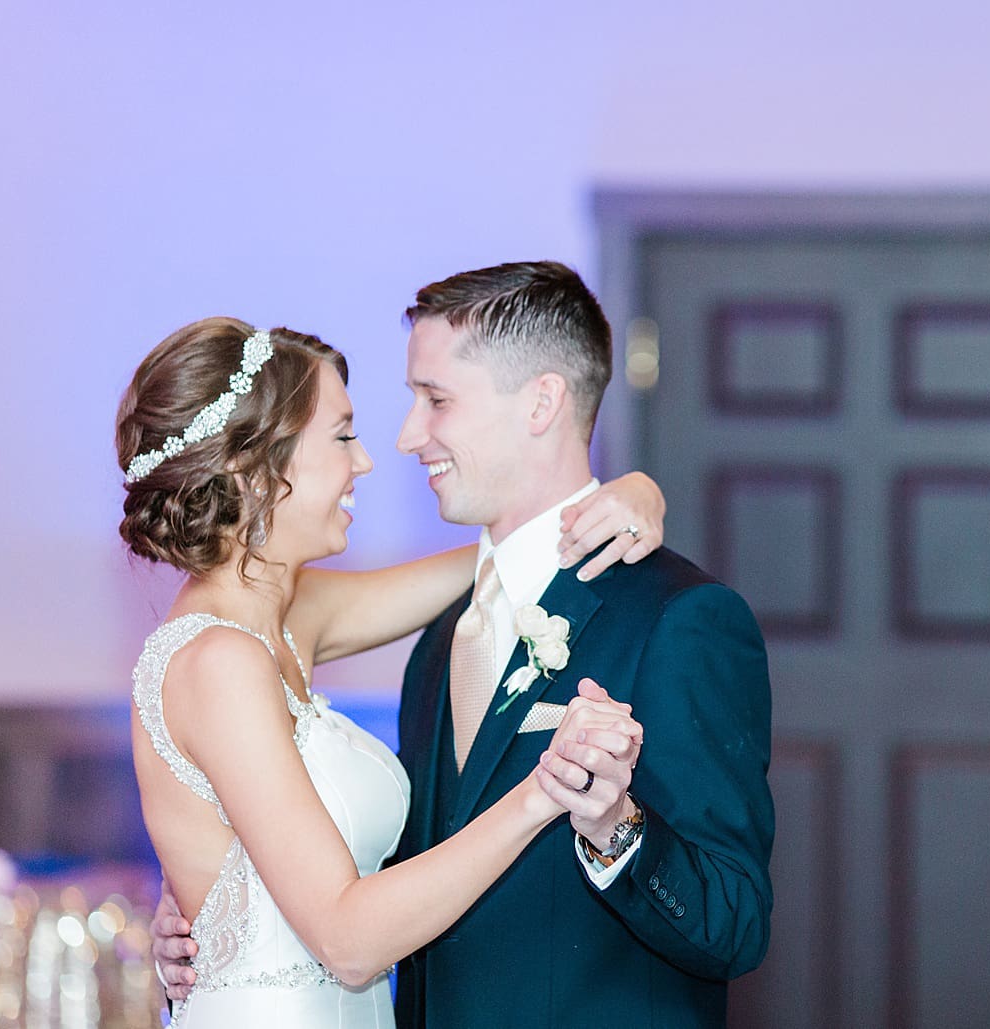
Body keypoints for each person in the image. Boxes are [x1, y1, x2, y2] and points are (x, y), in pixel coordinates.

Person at [119, 315, 664, 1027]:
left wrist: (624, 497)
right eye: (342, 435)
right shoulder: (219, 659)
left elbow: (493, 563)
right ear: (255, 469)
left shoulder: (284, 616)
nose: (367, 460)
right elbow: (346, 942)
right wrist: (542, 791)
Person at [388, 262, 774, 1027]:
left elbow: (735, 922)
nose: (408, 436)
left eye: (435, 400)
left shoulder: (681, 618)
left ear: (541, 401)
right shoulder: (439, 640)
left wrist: (613, 826)